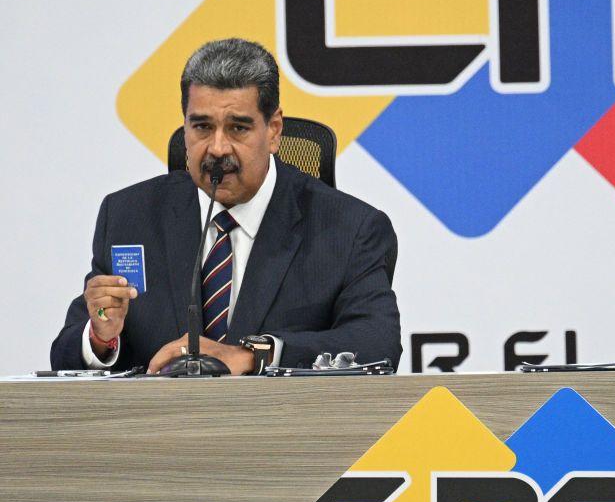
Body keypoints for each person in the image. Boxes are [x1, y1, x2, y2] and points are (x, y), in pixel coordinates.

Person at [51, 38, 401, 374]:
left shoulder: (350, 229)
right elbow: (67, 353)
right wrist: (100, 337)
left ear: (274, 130)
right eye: (202, 127)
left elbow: (377, 343)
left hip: (283, 428)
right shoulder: (130, 216)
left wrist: (254, 355)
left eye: (237, 128)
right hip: (160, 429)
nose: (217, 148)